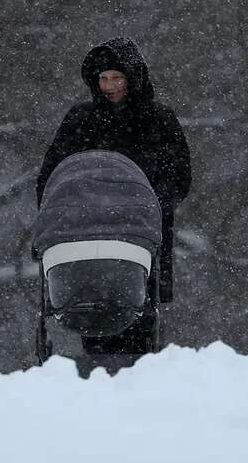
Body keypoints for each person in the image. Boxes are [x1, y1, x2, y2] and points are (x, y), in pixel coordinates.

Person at [36, 37, 192, 313]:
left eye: (117, 78)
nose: (109, 87)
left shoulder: (159, 120)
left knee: (140, 314)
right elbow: (52, 175)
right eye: (103, 78)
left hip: (140, 234)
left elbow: (179, 177)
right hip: (85, 233)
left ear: (132, 79)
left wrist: (149, 207)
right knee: (86, 310)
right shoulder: (80, 119)